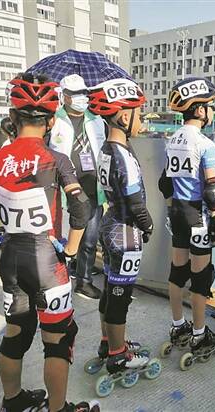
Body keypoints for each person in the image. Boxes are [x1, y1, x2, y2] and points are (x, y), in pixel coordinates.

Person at [0, 73, 98, 412]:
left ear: (13, 117)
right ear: (50, 121)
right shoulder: (56, 159)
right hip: (48, 263)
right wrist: (71, 250)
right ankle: (57, 409)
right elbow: (81, 207)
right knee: (58, 340)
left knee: (16, 334)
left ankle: (13, 401)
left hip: (11, 261)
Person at [87, 78, 152, 373]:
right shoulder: (123, 154)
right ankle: (118, 355)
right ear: (125, 117)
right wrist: (148, 226)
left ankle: (108, 342)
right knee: (120, 296)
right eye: (140, 114)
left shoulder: (106, 149)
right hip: (125, 230)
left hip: (111, 222)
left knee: (111, 288)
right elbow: (136, 202)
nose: (142, 121)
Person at [158, 77, 215, 356]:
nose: (212, 111)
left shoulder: (172, 139)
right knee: (201, 276)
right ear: (199, 110)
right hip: (198, 215)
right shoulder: (204, 143)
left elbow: (165, 183)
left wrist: (172, 209)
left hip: (177, 212)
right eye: (210, 106)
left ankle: (178, 326)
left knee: (177, 272)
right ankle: (199, 335)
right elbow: (212, 189)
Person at [49, 74, 106, 300]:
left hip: (93, 189)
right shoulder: (53, 120)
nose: (82, 97)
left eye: (84, 93)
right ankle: (57, 278)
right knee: (61, 240)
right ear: (64, 96)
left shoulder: (97, 120)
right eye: (75, 94)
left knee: (90, 240)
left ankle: (84, 281)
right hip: (63, 191)